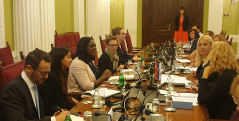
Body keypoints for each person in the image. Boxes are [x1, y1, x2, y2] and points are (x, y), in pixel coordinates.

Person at [0, 48, 69, 121]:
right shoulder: (12, 90)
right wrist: (54, 120)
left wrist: (52, 117)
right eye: (43, 73)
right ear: (29, 68)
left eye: (47, 72)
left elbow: (35, 117)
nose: (46, 76)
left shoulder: (34, 83)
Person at [197, 41, 238, 120]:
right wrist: (202, 88)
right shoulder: (228, 72)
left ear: (216, 58)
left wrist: (204, 76)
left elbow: (202, 99)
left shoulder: (227, 77)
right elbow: (214, 90)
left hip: (219, 118)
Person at [39, 47, 79, 116]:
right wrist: (62, 111)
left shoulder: (62, 74)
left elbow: (59, 97)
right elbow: (48, 106)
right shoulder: (50, 77)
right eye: (68, 57)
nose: (71, 60)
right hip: (55, 115)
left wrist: (69, 98)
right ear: (60, 59)